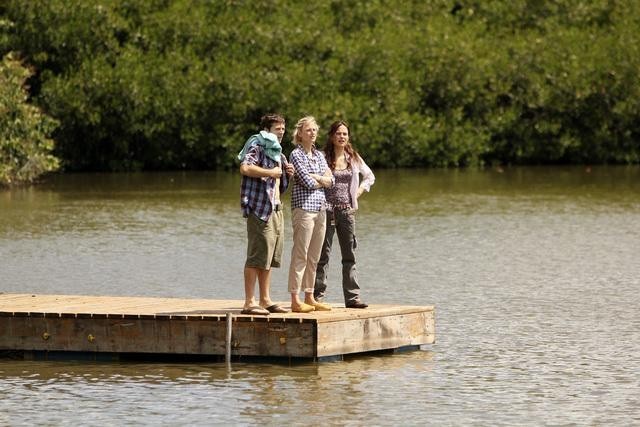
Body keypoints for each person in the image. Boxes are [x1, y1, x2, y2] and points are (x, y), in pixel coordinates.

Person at [314, 120, 375, 309]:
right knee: (322, 255)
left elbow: (370, 176)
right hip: (326, 211)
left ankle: (352, 298)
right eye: (339, 133)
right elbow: (313, 177)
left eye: (345, 134)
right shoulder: (322, 157)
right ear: (332, 136)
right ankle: (317, 297)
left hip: (346, 212)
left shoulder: (353, 157)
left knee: (349, 255)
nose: (342, 137)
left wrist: (358, 192)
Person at [238, 113, 294, 315]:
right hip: (259, 210)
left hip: (276, 210)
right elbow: (245, 167)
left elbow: (278, 187)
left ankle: (265, 300)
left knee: (268, 258)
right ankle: (249, 302)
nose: (282, 131)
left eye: (283, 128)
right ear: (267, 130)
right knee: (255, 256)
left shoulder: (278, 153)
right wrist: (270, 172)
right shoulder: (258, 145)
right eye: (278, 128)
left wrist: (287, 172)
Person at [287, 116, 334, 313]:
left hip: (321, 208)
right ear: (299, 133)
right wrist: (319, 178)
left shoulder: (320, 155)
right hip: (304, 209)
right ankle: (295, 299)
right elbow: (307, 182)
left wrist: (319, 178)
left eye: (315, 130)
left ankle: (310, 296)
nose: (313, 133)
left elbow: (331, 181)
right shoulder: (296, 155)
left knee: (314, 256)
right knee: (301, 254)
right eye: (308, 130)